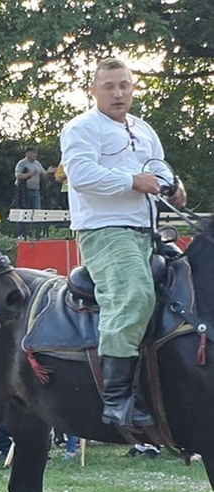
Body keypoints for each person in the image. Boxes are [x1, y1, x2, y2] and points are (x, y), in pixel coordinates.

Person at [60, 58, 187, 429]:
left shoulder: (143, 129)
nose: (118, 93)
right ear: (94, 90)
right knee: (133, 294)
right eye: (109, 86)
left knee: (191, 285)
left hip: (147, 231)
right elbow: (81, 175)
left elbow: (158, 166)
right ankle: (116, 401)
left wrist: (172, 185)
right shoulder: (81, 128)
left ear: (133, 88)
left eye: (124, 85)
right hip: (104, 231)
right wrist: (132, 181)